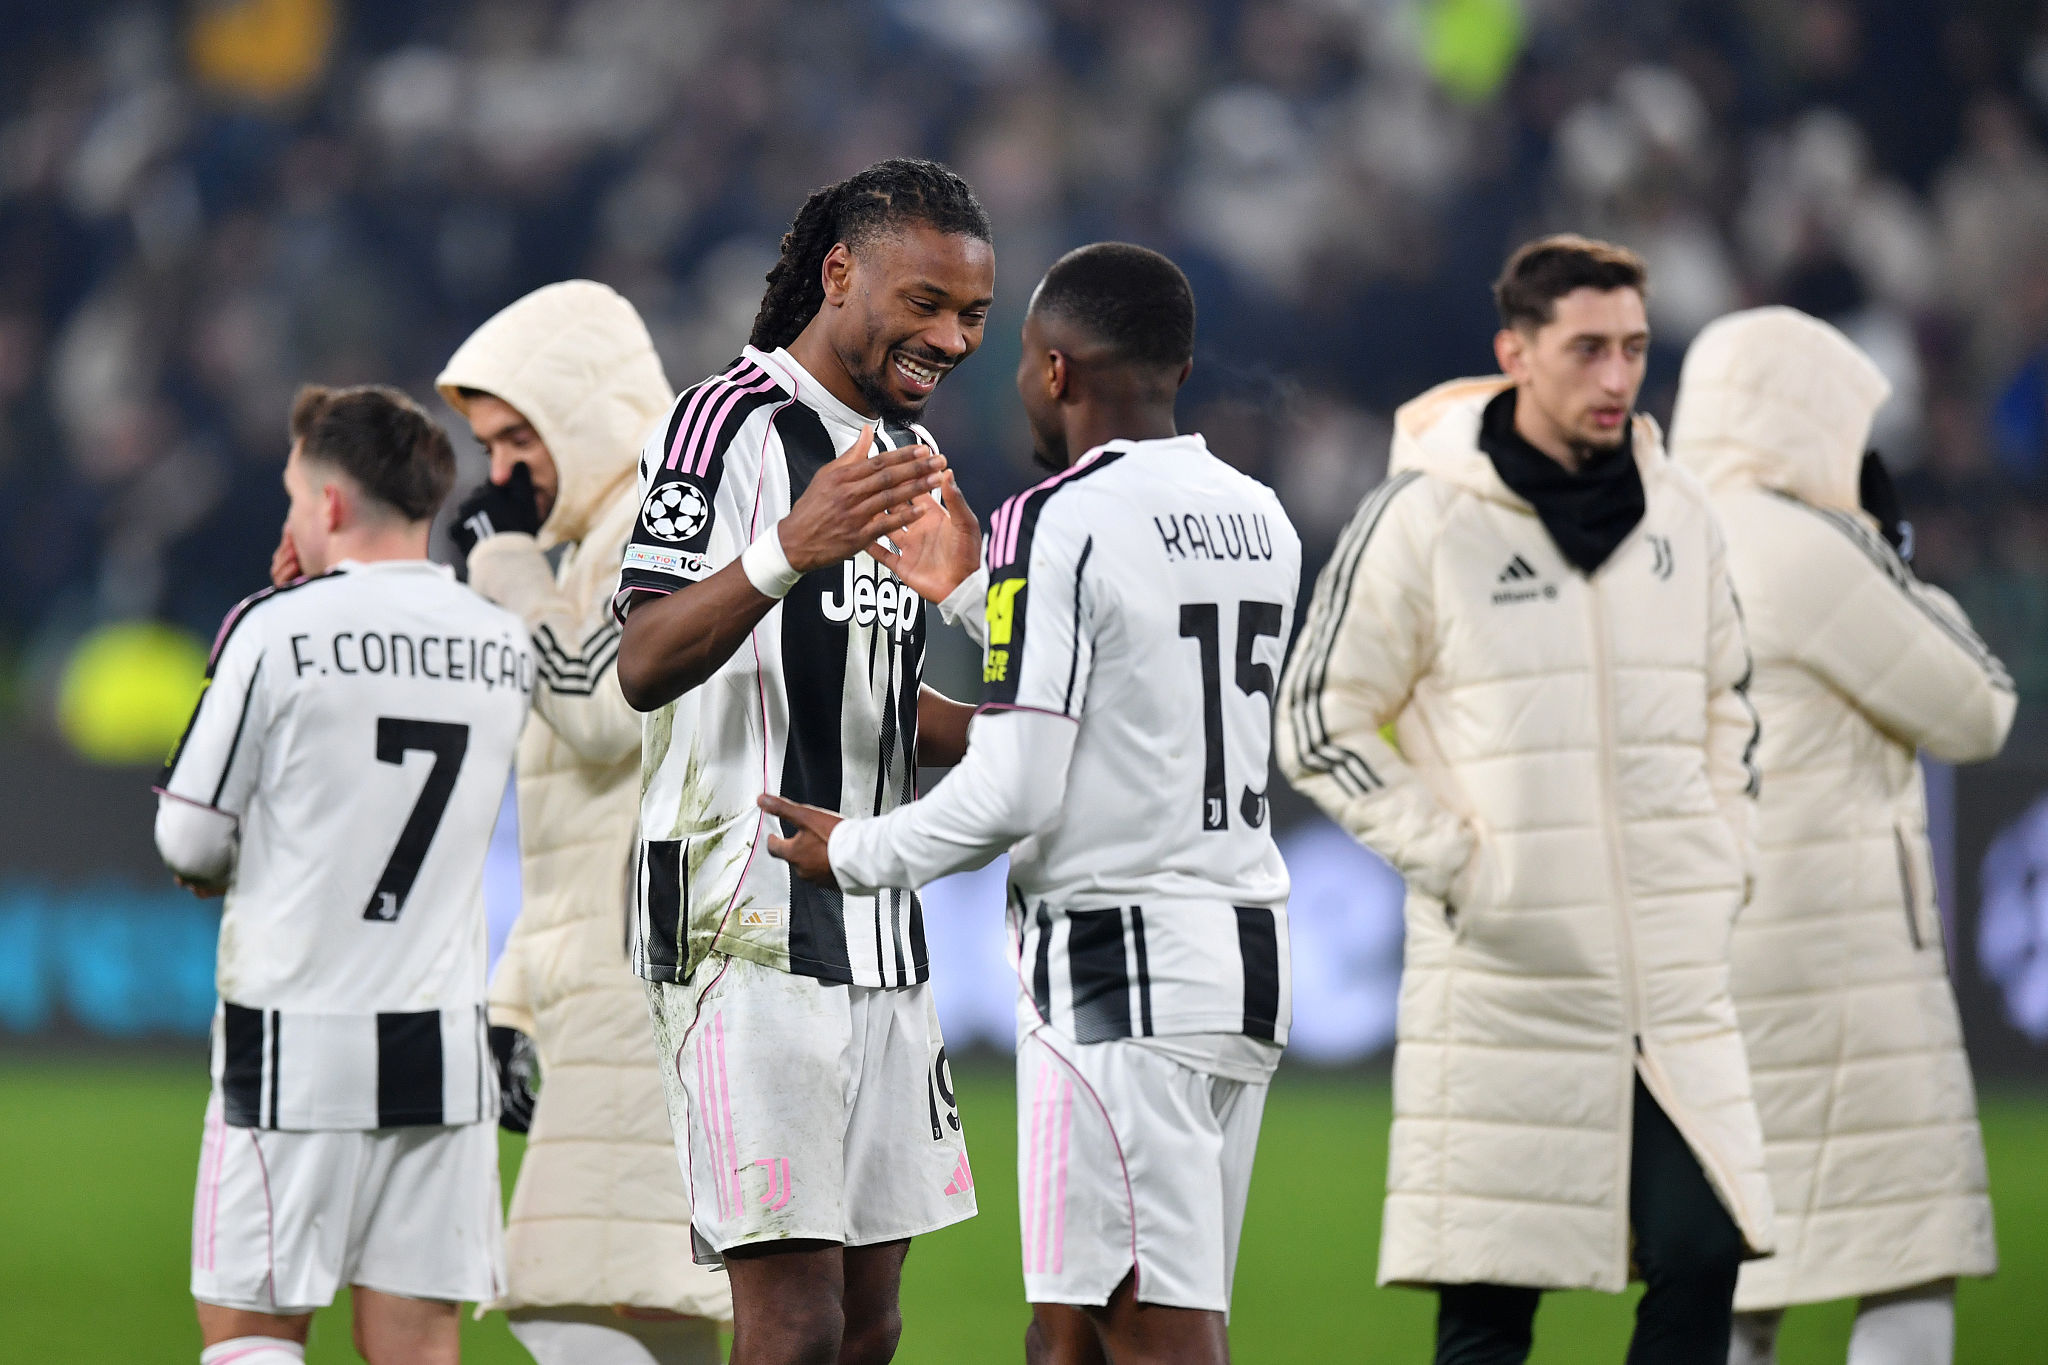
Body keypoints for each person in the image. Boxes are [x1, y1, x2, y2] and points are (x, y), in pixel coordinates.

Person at [764, 241, 1301, 1365]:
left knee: (1149, 1332)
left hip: (1118, 970)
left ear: (1054, 372)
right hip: (1243, 958)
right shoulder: (1261, 519)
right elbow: (1133, 702)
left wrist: (854, 852)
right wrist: (972, 594)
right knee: (1070, 1336)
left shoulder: (1056, 518)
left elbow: (1013, 788)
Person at [1275, 234, 1775, 1365]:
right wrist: (1460, 865)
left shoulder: (1680, 513)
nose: (1615, 378)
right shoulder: (1424, 518)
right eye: (1586, 349)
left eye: (1634, 350)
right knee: (1491, 1312)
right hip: (1506, 969)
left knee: (1704, 1252)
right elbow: (1316, 714)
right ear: (1514, 353)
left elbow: (1727, 702)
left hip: (1665, 970)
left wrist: (1718, 852)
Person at [612, 158, 993, 1365]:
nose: (949, 337)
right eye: (925, 302)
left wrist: (1023, 741)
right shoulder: (721, 421)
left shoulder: (902, 453)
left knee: (870, 1322)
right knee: (790, 1322)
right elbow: (642, 660)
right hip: (744, 925)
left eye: (974, 315)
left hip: (880, 926)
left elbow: (888, 704)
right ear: (839, 274)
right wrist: (787, 547)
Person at [155, 385, 533, 1365]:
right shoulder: (500, 640)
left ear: (326, 505)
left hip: (295, 1042)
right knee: (417, 1352)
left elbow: (189, 841)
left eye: (293, 497)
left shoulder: (274, 629)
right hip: (444, 1053)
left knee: (252, 1339)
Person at [1667, 307, 2014, 1365]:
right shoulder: (1807, 550)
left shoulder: (1650, 540)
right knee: (1899, 1253)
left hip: (1700, 957)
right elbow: (1974, 708)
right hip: (1837, 959)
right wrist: (1894, 564)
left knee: (1737, 1281)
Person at [436, 280, 732, 1364]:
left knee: (573, 1303)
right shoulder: (592, 548)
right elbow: (574, 833)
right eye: (487, 444)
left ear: (588, 412)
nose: (504, 473)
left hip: (647, 984)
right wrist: (515, 998)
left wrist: (506, 573)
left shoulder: (660, 527)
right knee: (642, 1308)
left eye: (521, 437)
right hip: (607, 983)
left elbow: (608, 711)